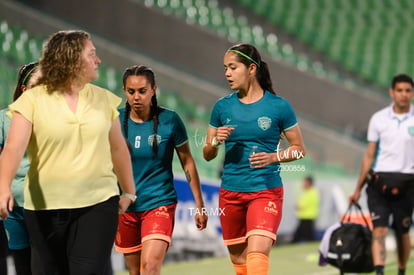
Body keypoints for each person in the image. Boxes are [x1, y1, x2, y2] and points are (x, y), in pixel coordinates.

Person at [0, 30, 136, 275]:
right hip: (43, 207)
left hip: (98, 204)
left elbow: (118, 148)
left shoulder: (104, 99)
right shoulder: (31, 101)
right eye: (92, 54)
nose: (99, 61)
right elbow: (13, 147)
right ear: (71, 59)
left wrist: (129, 191)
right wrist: (3, 188)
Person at [203, 43, 306, 275]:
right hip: (230, 193)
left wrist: (274, 157)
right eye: (225, 68)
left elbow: (299, 150)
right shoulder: (221, 107)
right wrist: (216, 142)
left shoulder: (279, 107)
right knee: (240, 264)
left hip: (265, 191)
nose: (227, 73)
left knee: (257, 258)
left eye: (233, 67)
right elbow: (207, 154)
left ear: (251, 69)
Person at [114, 65, 208, 275]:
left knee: (150, 266)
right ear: (124, 91)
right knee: (135, 271)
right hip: (125, 208)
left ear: (153, 90)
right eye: (131, 91)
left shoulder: (170, 120)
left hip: (159, 203)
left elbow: (187, 161)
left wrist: (200, 205)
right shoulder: (114, 121)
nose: (136, 97)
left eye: (142, 91)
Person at [349, 74, 414, 275]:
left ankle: (402, 270)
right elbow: (369, 155)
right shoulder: (378, 119)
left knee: (403, 232)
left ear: (412, 93)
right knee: (379, 230)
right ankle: (380, 271)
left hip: (408, 183)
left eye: (408, 90)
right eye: (400, 90)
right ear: (392, 92)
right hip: (378, 182)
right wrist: (358, 188)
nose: (403, 94)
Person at [0, 61, 41, 275]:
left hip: (46, 206)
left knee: (44, 265)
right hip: (13, 208)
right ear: (24, 89)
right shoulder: (4, 118)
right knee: (22, 265)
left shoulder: (58, 121)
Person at [291, 176, 320, 243]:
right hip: (307, 217)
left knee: (305, 236)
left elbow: (301, 206)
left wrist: (297, 206)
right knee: (307, 236)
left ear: (309, 183)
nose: (303, 184)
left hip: (307, 217)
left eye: (304, 182)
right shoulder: (310, 192)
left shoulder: (310, 193)